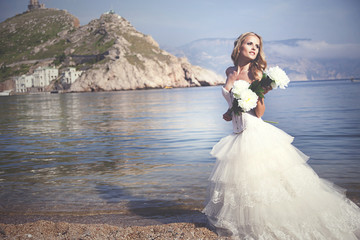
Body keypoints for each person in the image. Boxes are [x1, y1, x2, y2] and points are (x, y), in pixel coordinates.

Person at [202, 32, 360, 239]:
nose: (253, 48)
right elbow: (233, 102)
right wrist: (229, 113)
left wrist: (257, 95)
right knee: (244, 184)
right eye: (249, 44)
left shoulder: (256, 75)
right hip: (237, 133)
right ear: (239, 45)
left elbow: (259, 113)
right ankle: (245, 220)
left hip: (254, 133)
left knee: (266, 182)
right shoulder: (230, 71)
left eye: (257, 46)